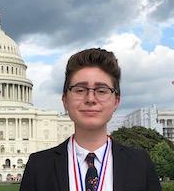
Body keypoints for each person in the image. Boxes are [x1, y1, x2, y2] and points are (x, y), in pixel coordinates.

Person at [19, 48, 161, 191]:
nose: (91, 99)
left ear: (116, 101)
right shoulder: (39, 166)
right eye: (80, 90)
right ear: (65, 100)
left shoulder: (140, 163)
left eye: (101, 91)